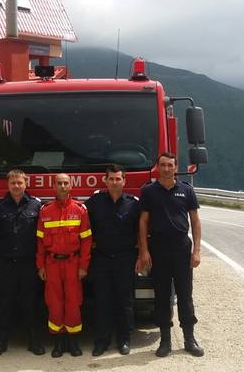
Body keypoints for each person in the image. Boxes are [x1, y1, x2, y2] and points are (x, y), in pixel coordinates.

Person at [136, 153, 205, 357]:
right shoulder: (148, 191)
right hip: (158, 249)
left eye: (170, 165)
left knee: (185, 295)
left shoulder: (186, 190)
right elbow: (143, 222)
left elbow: (196, 221)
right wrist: (144, 250)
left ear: (176, 167)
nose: (166, 169)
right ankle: (165, 340)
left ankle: (189, 339)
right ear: (157, 167)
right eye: (163, 165)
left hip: (182, 249)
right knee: (162, 296)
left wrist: (197, 251)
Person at [0, 169, 45, 356]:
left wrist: (41, 263)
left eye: (20, 183)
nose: (16, 186)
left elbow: (41, 238)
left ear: (26, 184)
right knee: (5, 302)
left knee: (30, 302)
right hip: (6, 263)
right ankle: (2, 340)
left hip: (29, 263)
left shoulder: (36, 205)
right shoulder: (0, 206)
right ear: (8, 185)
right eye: (13, 183)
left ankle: (33, 339)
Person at [85, 164, 140, 356]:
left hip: (125, 259)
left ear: (124, 181)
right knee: (102, 301)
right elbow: (84, 226)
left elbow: (141, 230)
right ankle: (102, 341)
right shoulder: (95, 202)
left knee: (125, 301)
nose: (115, 182)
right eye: (111, 179)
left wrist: (141, 254)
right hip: (101, 259)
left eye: (118, 179)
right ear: (105, 181)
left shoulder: (134, 203)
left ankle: (124, 340)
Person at [36, 174, 92, 357]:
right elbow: (40, 242)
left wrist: (84, 266)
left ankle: (73, 341)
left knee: (73, 303)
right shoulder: (45, 211)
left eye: (65, 183)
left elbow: (86, 241)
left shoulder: (80, 210)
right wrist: (40, 266)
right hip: (51, 263)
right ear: (54, 186)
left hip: (73, 263)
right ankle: (58, 342)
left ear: (70, 186)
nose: (62, 186)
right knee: (54, 303)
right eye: (59, 183)